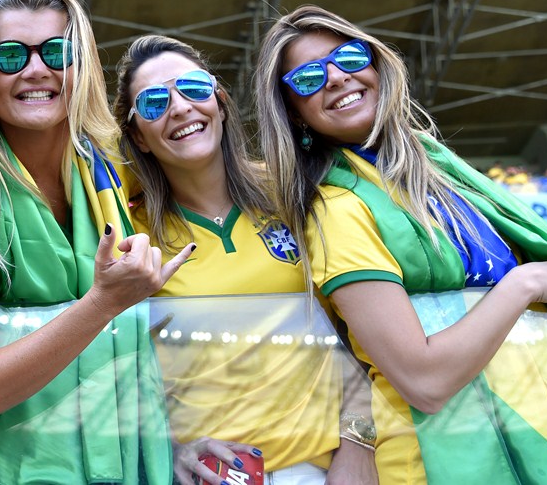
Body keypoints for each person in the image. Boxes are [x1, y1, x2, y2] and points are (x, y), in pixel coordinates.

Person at [256, 4, 547, 484]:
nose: (335, 77)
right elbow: (424, 381)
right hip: (445, 455)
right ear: (294, 113)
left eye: (349, 57)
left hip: (540, 423)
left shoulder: (443, 172)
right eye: (308, 78)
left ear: (376, 64)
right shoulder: (336, 210)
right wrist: (527, 282)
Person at [0, 0, 193, 484]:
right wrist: (102, 304)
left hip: (130, 462)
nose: (36, 70)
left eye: (56, 52)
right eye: (9, 57)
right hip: (15, 471)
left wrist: (179, 440)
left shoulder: (110, 168)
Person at [114, 34, 377, 484]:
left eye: (194, 88)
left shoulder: (298, 192)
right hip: (211, 476)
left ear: (219, 99)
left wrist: (359, 445)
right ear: (137, 135)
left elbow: (363, 337)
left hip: (324, 469)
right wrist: (169, 449)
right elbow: (116, 377)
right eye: (154, 103)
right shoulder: (127, 231)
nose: (179, 108)